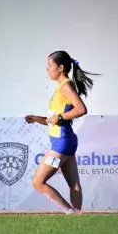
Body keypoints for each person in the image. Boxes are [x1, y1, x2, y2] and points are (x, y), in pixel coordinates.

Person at [25, 50, 98, 214]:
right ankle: (78, 217)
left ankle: (69, 211)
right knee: (73, 183)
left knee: (38, 182)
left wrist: (59, 117)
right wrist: (39, 119)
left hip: (61, 144)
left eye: (50, 66)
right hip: (65, 140)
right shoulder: (61, 87)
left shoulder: (65, 86)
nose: (47, 69)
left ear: (61, 67)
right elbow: (57, 119)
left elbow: (81, 109)